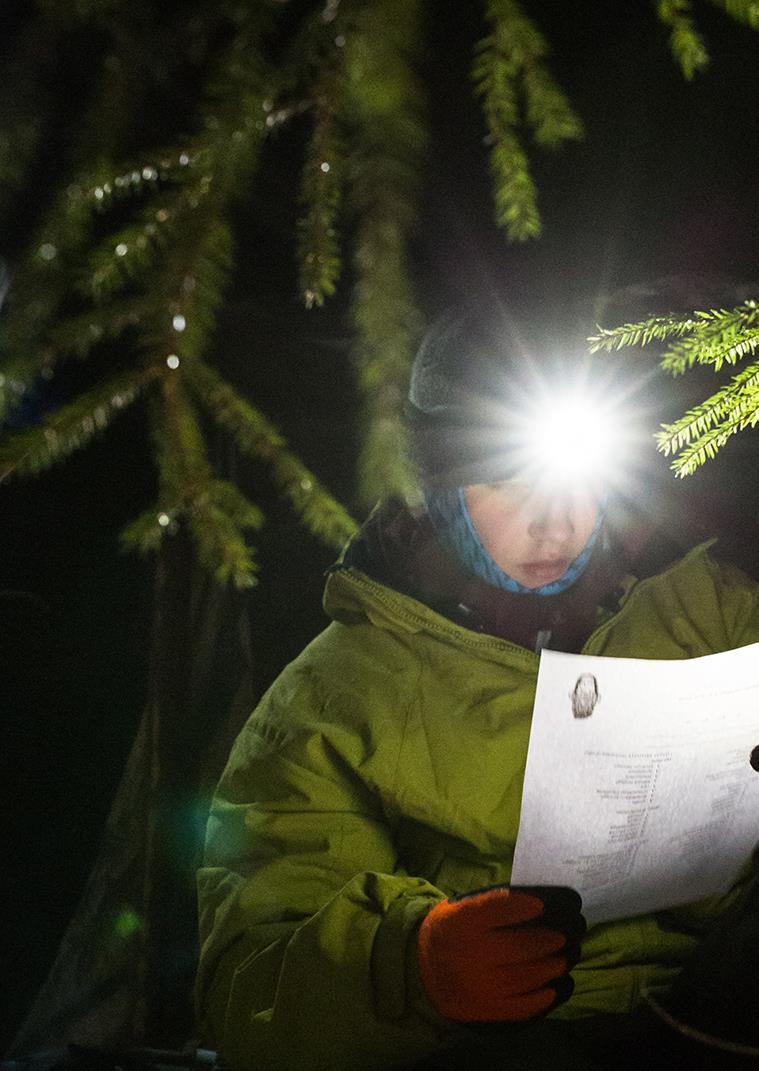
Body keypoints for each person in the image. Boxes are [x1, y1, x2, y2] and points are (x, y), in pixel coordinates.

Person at [194, 308, 759, 1071]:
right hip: (508, 1041)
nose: (552, 522)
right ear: (437, 490)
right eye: (502, 480)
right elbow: (249, 988)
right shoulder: (337, 694)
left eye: (577, 480)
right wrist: (414, 967)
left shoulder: (707, 607)